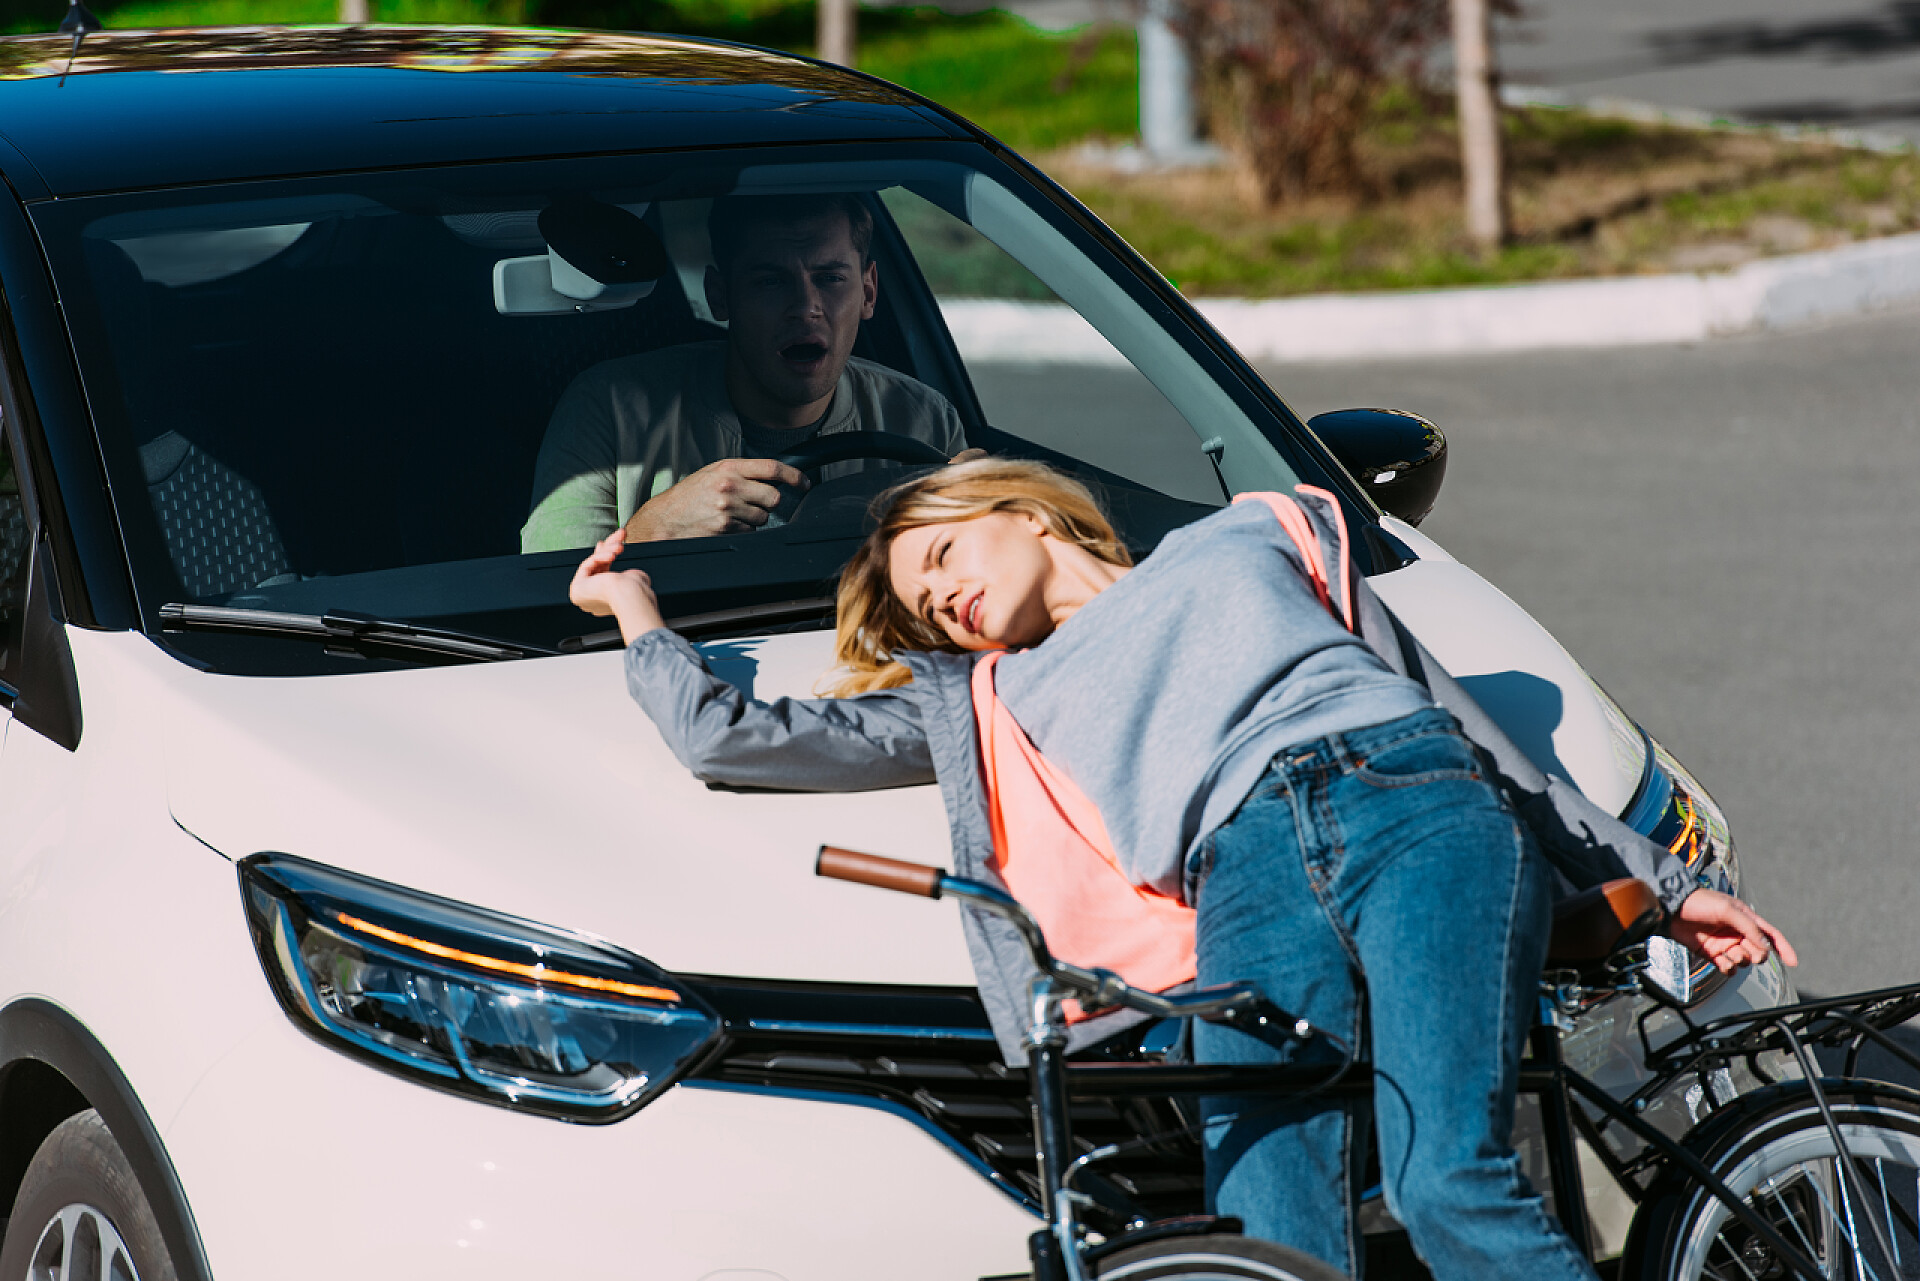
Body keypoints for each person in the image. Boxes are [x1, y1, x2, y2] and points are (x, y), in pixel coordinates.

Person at [568, 459, 1796, 1280]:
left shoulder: (1253, 534)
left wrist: (1665, 882)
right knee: (1267, 1217)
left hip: (1412, 798)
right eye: (921, 603)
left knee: (1447, 1182)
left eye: (940, 558)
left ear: (1024, 511)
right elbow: (737, 740)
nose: (941, 600)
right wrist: (635, 613)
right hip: (1245, 867)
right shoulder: (995, 693)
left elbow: (1472, 729)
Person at [521, 193, 975, 552]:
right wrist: (654, 529)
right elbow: (547, 601)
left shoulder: (925, 421)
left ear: (869, 291)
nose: (806, 308)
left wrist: (1008, 505)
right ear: (721, 296)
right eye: (770, 281)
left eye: (830, 278)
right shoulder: (609, 410)